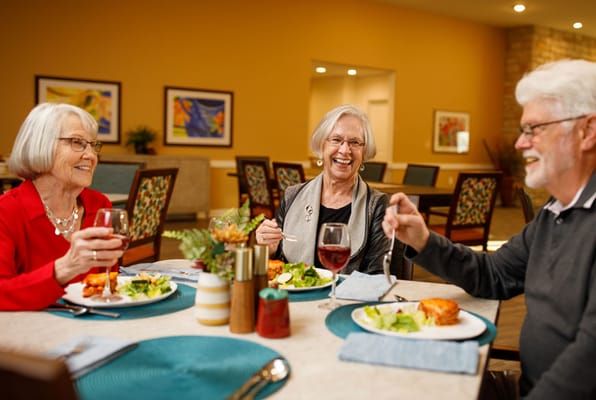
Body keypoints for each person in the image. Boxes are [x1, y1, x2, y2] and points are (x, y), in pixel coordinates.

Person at [383, 59, 596, 399]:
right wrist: (423, 239)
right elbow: (493, 274)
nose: (519, 144)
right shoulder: (553, 214)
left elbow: (587, 365)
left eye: (533, 129)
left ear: (587, 131)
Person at [0, 103, 126, 310]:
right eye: (77, 142)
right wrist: (65, 268)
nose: (91, 156)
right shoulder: (6, 211)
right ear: (41, 145)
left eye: (93, 145)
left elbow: (107, 281)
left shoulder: (99, 205)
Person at [256, 104, 404, 275]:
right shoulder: (292, 196)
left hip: (349, 300)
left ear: (364, 153)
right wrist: (269, 250)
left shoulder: (377, 205)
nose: (345, 150)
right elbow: (281, 268)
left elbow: (376, 275)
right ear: (321, 146)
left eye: (355, 142)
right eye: (336, 140)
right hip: (297, 299)